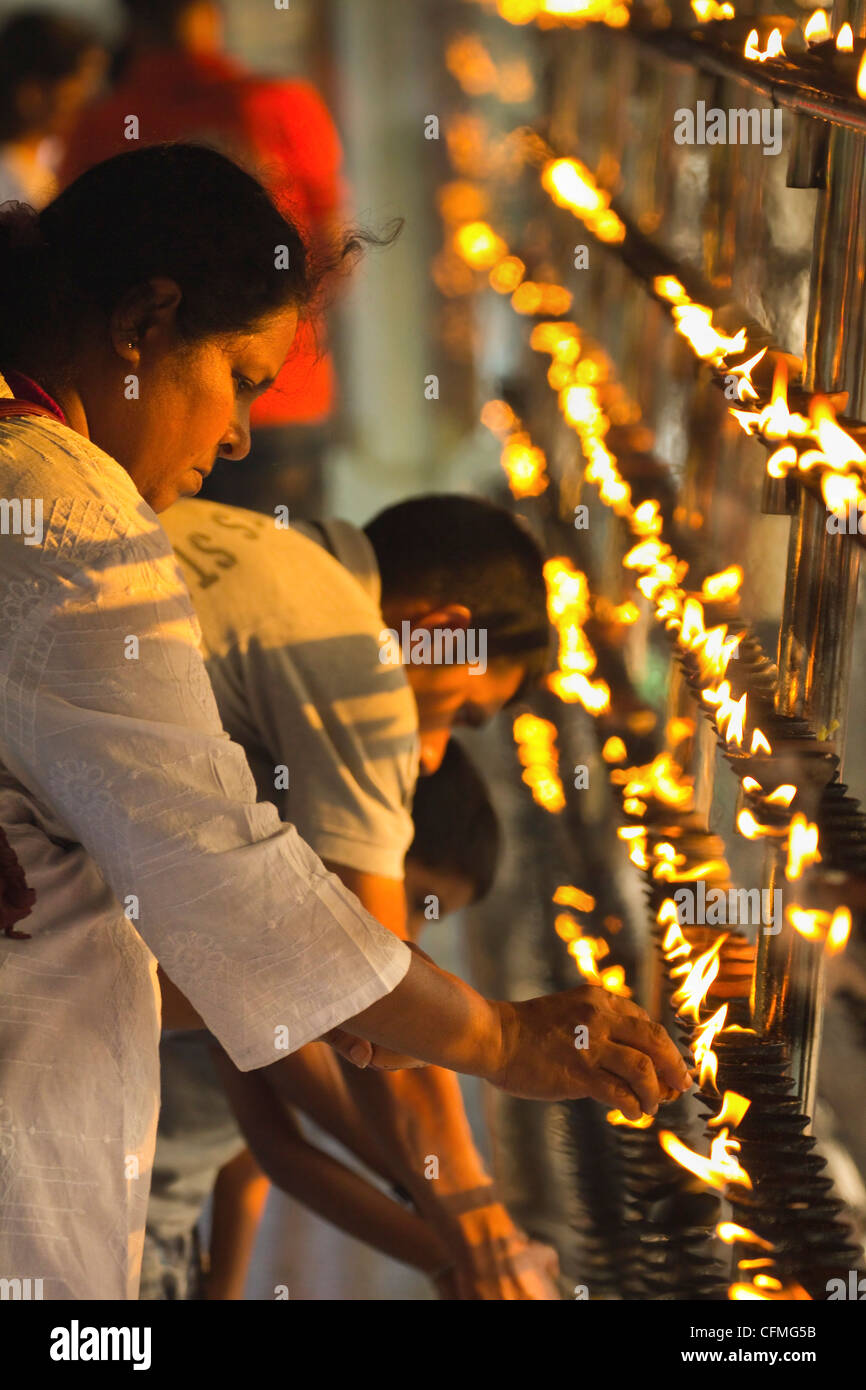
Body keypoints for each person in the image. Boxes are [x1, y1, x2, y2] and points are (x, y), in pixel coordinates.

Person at [0, 143, 692, 1301]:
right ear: (144, 322)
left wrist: (358, 1001)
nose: (233, 438)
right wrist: (501, 1044)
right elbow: (221, 875)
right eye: (243, 376)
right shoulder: (67, 515)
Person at [158, 490, 558, 1299]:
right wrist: (484, 1243)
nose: (434, 754)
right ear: (441, 631)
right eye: (463, 712)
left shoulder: (258, 545)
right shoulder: (355, 655)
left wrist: (455, 1231)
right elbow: (371, 988)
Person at [143, 742, 513, 1301]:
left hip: (166, 1226)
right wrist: (458, 1245)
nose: (407, 930)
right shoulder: (271, 959)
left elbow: (254, 1149)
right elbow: (303, 1140)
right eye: (412, 898)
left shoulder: (299, 992)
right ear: (361, 857)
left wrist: (224, 1283)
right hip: (113, 1211)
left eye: (428, 917)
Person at [60, 0, 345, 517]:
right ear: (212, 13)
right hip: (283, 403)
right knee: (272, 585)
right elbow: (331, 250)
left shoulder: (102, 125)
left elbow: (70, 274)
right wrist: (271, 349)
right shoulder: (277, 105)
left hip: (129, 414)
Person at [0, 9, 105, 208]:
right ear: (32, 95)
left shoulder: (57, 157)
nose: (87, 102)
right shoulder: (7, 175)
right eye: (74, 94)